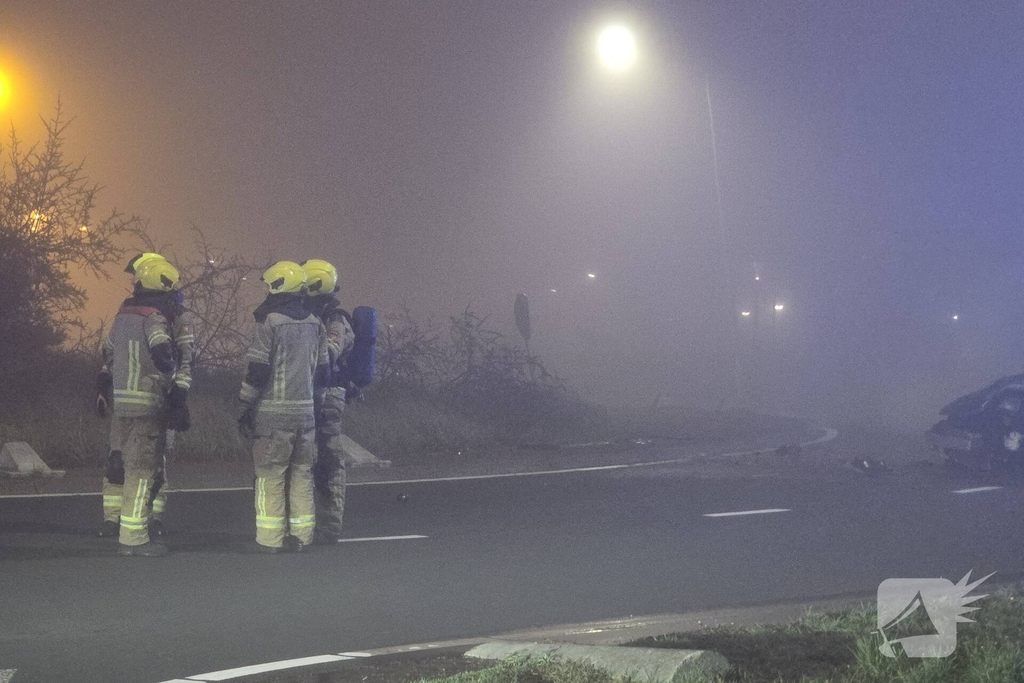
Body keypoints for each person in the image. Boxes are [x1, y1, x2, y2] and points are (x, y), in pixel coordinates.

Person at [100, 255, 192, 556]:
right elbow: (163, 352)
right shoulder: (155, 316)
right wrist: (171, 384)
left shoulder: (125, 313)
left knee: (121, 467)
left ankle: (120, 525)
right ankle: (134, 538)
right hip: (147, 407)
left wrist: (106, 387)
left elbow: (109, 351)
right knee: (142, 472)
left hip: (123, 406)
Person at [238, 261, 329, 553]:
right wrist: (319, 407)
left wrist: (244, 404)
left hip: (273, 416)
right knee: (302, 474)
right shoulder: (317, 322)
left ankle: (270, 539)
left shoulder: (270, 322)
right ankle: (303, 536)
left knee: (270, 476)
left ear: (277, 285)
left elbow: (258, 370)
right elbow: (323, 373)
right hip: (306, 415)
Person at [300, 259, 354, 543]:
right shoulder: (310, 316)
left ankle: (330, 525)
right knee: (305, 458)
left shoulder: (336, 320)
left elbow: (330, 355)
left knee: (329, 461)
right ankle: (305, 522)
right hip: (308, 394)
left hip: (330, 394)